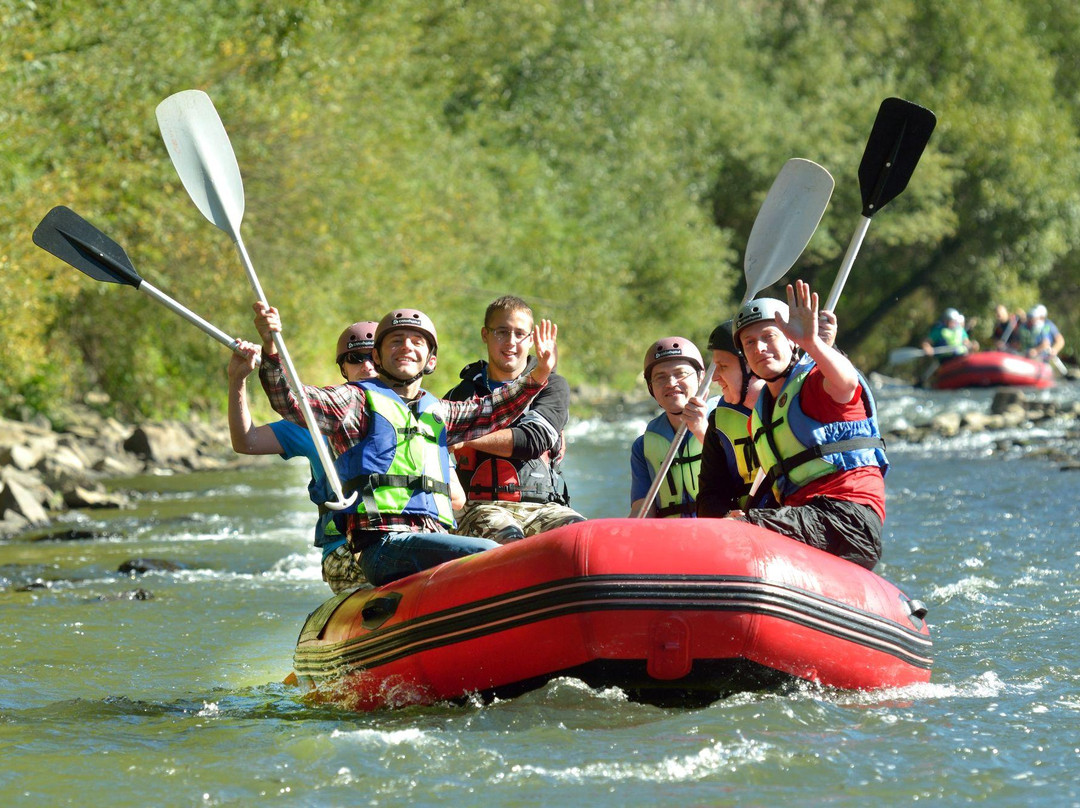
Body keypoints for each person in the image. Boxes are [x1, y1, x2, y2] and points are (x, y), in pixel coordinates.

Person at [255, 303, 559, 587]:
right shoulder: (354, 402)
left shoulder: (440, 412)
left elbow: (496, 409)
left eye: (417, 342)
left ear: (431, 359)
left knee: (491, 552)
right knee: (490, 552)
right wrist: (271, 348)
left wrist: (540, 373)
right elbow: (290, 400)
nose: (406, 348)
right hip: (383, 544)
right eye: (396, 341)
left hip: (430, 538)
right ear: (377, 356)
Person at [729, 280, 889, 570]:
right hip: (802, 518)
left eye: (768, 336)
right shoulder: (759, 417)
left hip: (847, 517)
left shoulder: (817, 383)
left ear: (791, 340)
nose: (760, 348)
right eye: (749, 343)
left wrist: (813, 344)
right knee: (733, 523)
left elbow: (847, 382)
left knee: (737, 530)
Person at [228, 321, 378, 593]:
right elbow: (245, 441)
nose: (367, 366)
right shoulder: (315, 419)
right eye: (356, 359)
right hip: (345, 548)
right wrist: (237, 379)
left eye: (375, 357)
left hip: (403, 538)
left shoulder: (417, 416)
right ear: (343, 369)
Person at [444, 295, 584, 542]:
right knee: (509, 538)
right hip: (479, 509)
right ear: (485, 335)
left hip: (545, 508)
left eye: (520, 334)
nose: (510, 342)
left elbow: (532, 441)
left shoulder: (553, 386)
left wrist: (465, 437)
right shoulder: (459, 395)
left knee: (579, 537)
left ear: (531, 340)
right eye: (502, 332)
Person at [629, 337, 714, 518]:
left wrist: (701, 431)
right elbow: (642, 510)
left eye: (681, 374)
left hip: (717, 532)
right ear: (651, 387)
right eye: (660, 377)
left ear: (701, 377)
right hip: (669, 537)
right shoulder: (641, 447)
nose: (671, 383)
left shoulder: (725, 423)